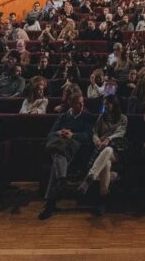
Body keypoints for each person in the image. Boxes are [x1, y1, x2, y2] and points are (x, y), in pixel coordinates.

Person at [39, 92, 94, 220]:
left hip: (76, 147)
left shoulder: (86, 116)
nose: (82, 105)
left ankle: (50, 203)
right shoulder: (63, 117)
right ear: (71, 104)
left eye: (82, 102)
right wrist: (60, 132)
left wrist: (72, 135)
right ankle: (61, 180)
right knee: (58, 156)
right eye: (78, 103)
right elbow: (50, 134)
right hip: (62, 145)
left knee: (57, 156)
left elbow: (88, 135)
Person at [78, 95, 127, 215]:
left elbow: (121, 133)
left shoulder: (123, 118)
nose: (105, 106)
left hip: (117, 150)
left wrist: (108, 139)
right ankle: (103, 199)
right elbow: (94, 132)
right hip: (102, 151)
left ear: (114, 105)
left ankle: (90, 176)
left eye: (107, 104)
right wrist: (97, 141)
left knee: (109, 150)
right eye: (104, 104)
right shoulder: (101, 118)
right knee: (106, 165)